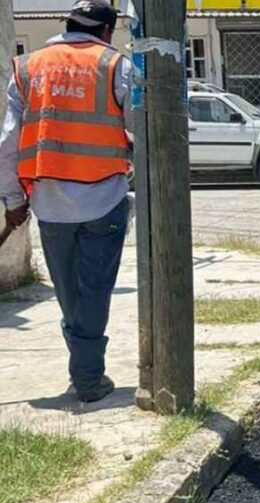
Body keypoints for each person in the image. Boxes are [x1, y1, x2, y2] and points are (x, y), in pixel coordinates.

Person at [0, 0, 133, 403]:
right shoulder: (115, 65)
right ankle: (88, 376)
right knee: (94, 290)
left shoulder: (28, 68)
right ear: (106, 31)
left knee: (69, 292)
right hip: (104, 198)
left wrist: (11, 200)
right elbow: (140, 129)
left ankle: (84, 367)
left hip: (49, 203)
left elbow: (8, 143)